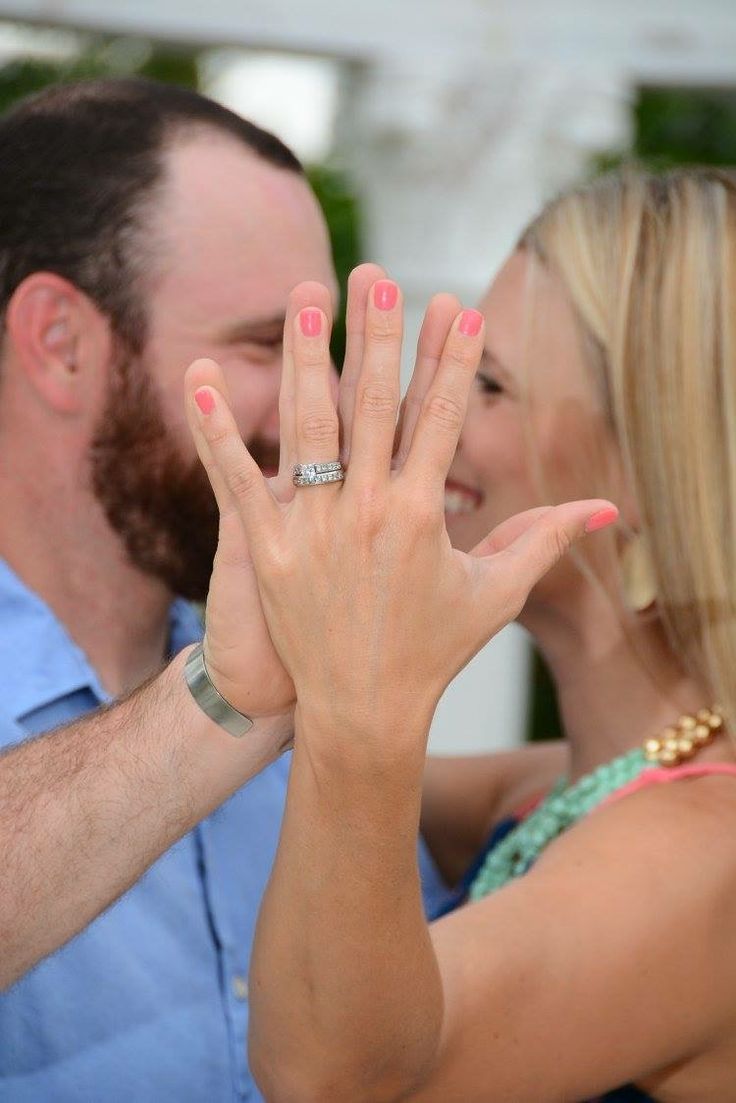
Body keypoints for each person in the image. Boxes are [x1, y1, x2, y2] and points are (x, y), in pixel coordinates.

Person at [189, 168, 736, 1102]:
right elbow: (269, 767)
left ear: (649, 465)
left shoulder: (703, 857)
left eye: (486, 383)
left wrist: (361, 675)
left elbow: (331, 1075)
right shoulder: (560, 787)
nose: (421, 419)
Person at [0, 77, 451, 1102]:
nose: (322, 408)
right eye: (265, 346)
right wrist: (227, 702)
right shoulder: (251, 685)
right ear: (60, 342)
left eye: (324, 352)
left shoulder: (302, 691)